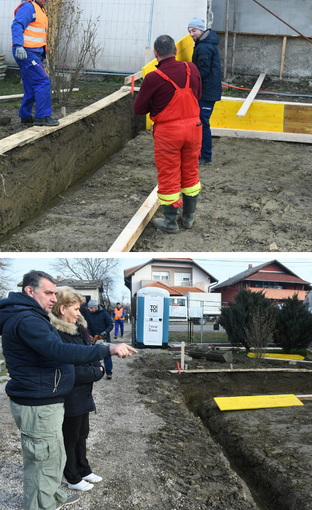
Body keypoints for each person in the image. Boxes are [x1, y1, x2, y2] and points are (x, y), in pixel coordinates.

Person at [0, 270, 137, 510]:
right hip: (38, 403)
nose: (53, 299)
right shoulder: (27, 319)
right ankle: (41, 506)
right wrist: (108, 349)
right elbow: (60, 351)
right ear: (30, 291)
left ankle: (52, 498)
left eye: (55, 293)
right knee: (42, 461)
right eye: (48, 293)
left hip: (47, 400)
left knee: (53, 456)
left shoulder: (32, 315)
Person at [134, 34, 203, 234]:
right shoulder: (192, 69)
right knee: (191, 171)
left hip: (169, 133)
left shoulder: (153, 77)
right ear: (176, 51)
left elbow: (139, 109)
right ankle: (188, 218)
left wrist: (156, 103)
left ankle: (171, 222)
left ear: (156, 54)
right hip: (194, 128)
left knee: (169, 174)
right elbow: (198, 94)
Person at [50, 288, 105, 492]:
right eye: (75, 309)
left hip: (83, 393)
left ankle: (84, 469)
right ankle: (72, 476)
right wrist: (96, 372)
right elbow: (68, 370)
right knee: (70, 437)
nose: (79, 313)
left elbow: (90, 353)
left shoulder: (79, 330)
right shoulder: (57, 335)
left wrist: (97, 367)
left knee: (82, 433)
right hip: (70, 395)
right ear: (62, 309)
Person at [11, 0, 58, 127]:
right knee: (43, 81)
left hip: (32, 52)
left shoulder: (39, 8)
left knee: (31, 84)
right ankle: (42, 117)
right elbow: (17, 25)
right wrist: (18, 45)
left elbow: (37, 35)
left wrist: (43, 54)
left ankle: (25, 116)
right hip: (26, 52)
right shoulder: (29, 7)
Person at [187, 17, 221, 166]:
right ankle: (202, 154)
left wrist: (187, 77)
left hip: (207, 92)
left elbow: (203, 72)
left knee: (203, 123)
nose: (191, 34)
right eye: (189, 31)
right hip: (208, 90)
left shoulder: (204, 47)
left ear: (201, 30)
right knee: (201, 122)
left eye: (193, 31)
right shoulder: (205, 43)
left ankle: (205, 156)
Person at [85, 299, 114, 380]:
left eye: (91, 308)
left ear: (95, 307)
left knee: (107, 355)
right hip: (94, 338)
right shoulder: (89, 315)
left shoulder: (104, 314)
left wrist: (105, 332)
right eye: (89, 308)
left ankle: (109, 372)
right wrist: (89, 335)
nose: (90, 309)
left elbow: (110, 325)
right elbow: (87, 326)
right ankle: (95, 371)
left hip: (104, 337)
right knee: (94, 355)